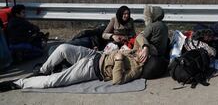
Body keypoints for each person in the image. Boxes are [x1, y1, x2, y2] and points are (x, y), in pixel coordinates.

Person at [0, 34, 150, 92]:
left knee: (53, 82)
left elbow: (118, 80)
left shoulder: (137, 69)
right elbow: (140, 36)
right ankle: (43, 70)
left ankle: (18, 83)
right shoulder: (138, 52)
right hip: (95, 55)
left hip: (91, 69)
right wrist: (145, 47)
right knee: (63, 48)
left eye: (144, 56)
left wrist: (118, 60)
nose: (140, 54)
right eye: (142, 54)